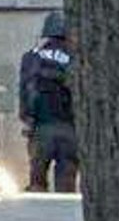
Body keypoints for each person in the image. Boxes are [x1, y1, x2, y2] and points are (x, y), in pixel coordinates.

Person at [19, 10, 78, 193]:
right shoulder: (77, 57)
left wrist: (27, 118)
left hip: (41, 127)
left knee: (37, 182)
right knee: (67, 182)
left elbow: (26, 90)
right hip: (70, 128)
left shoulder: (32, 56)